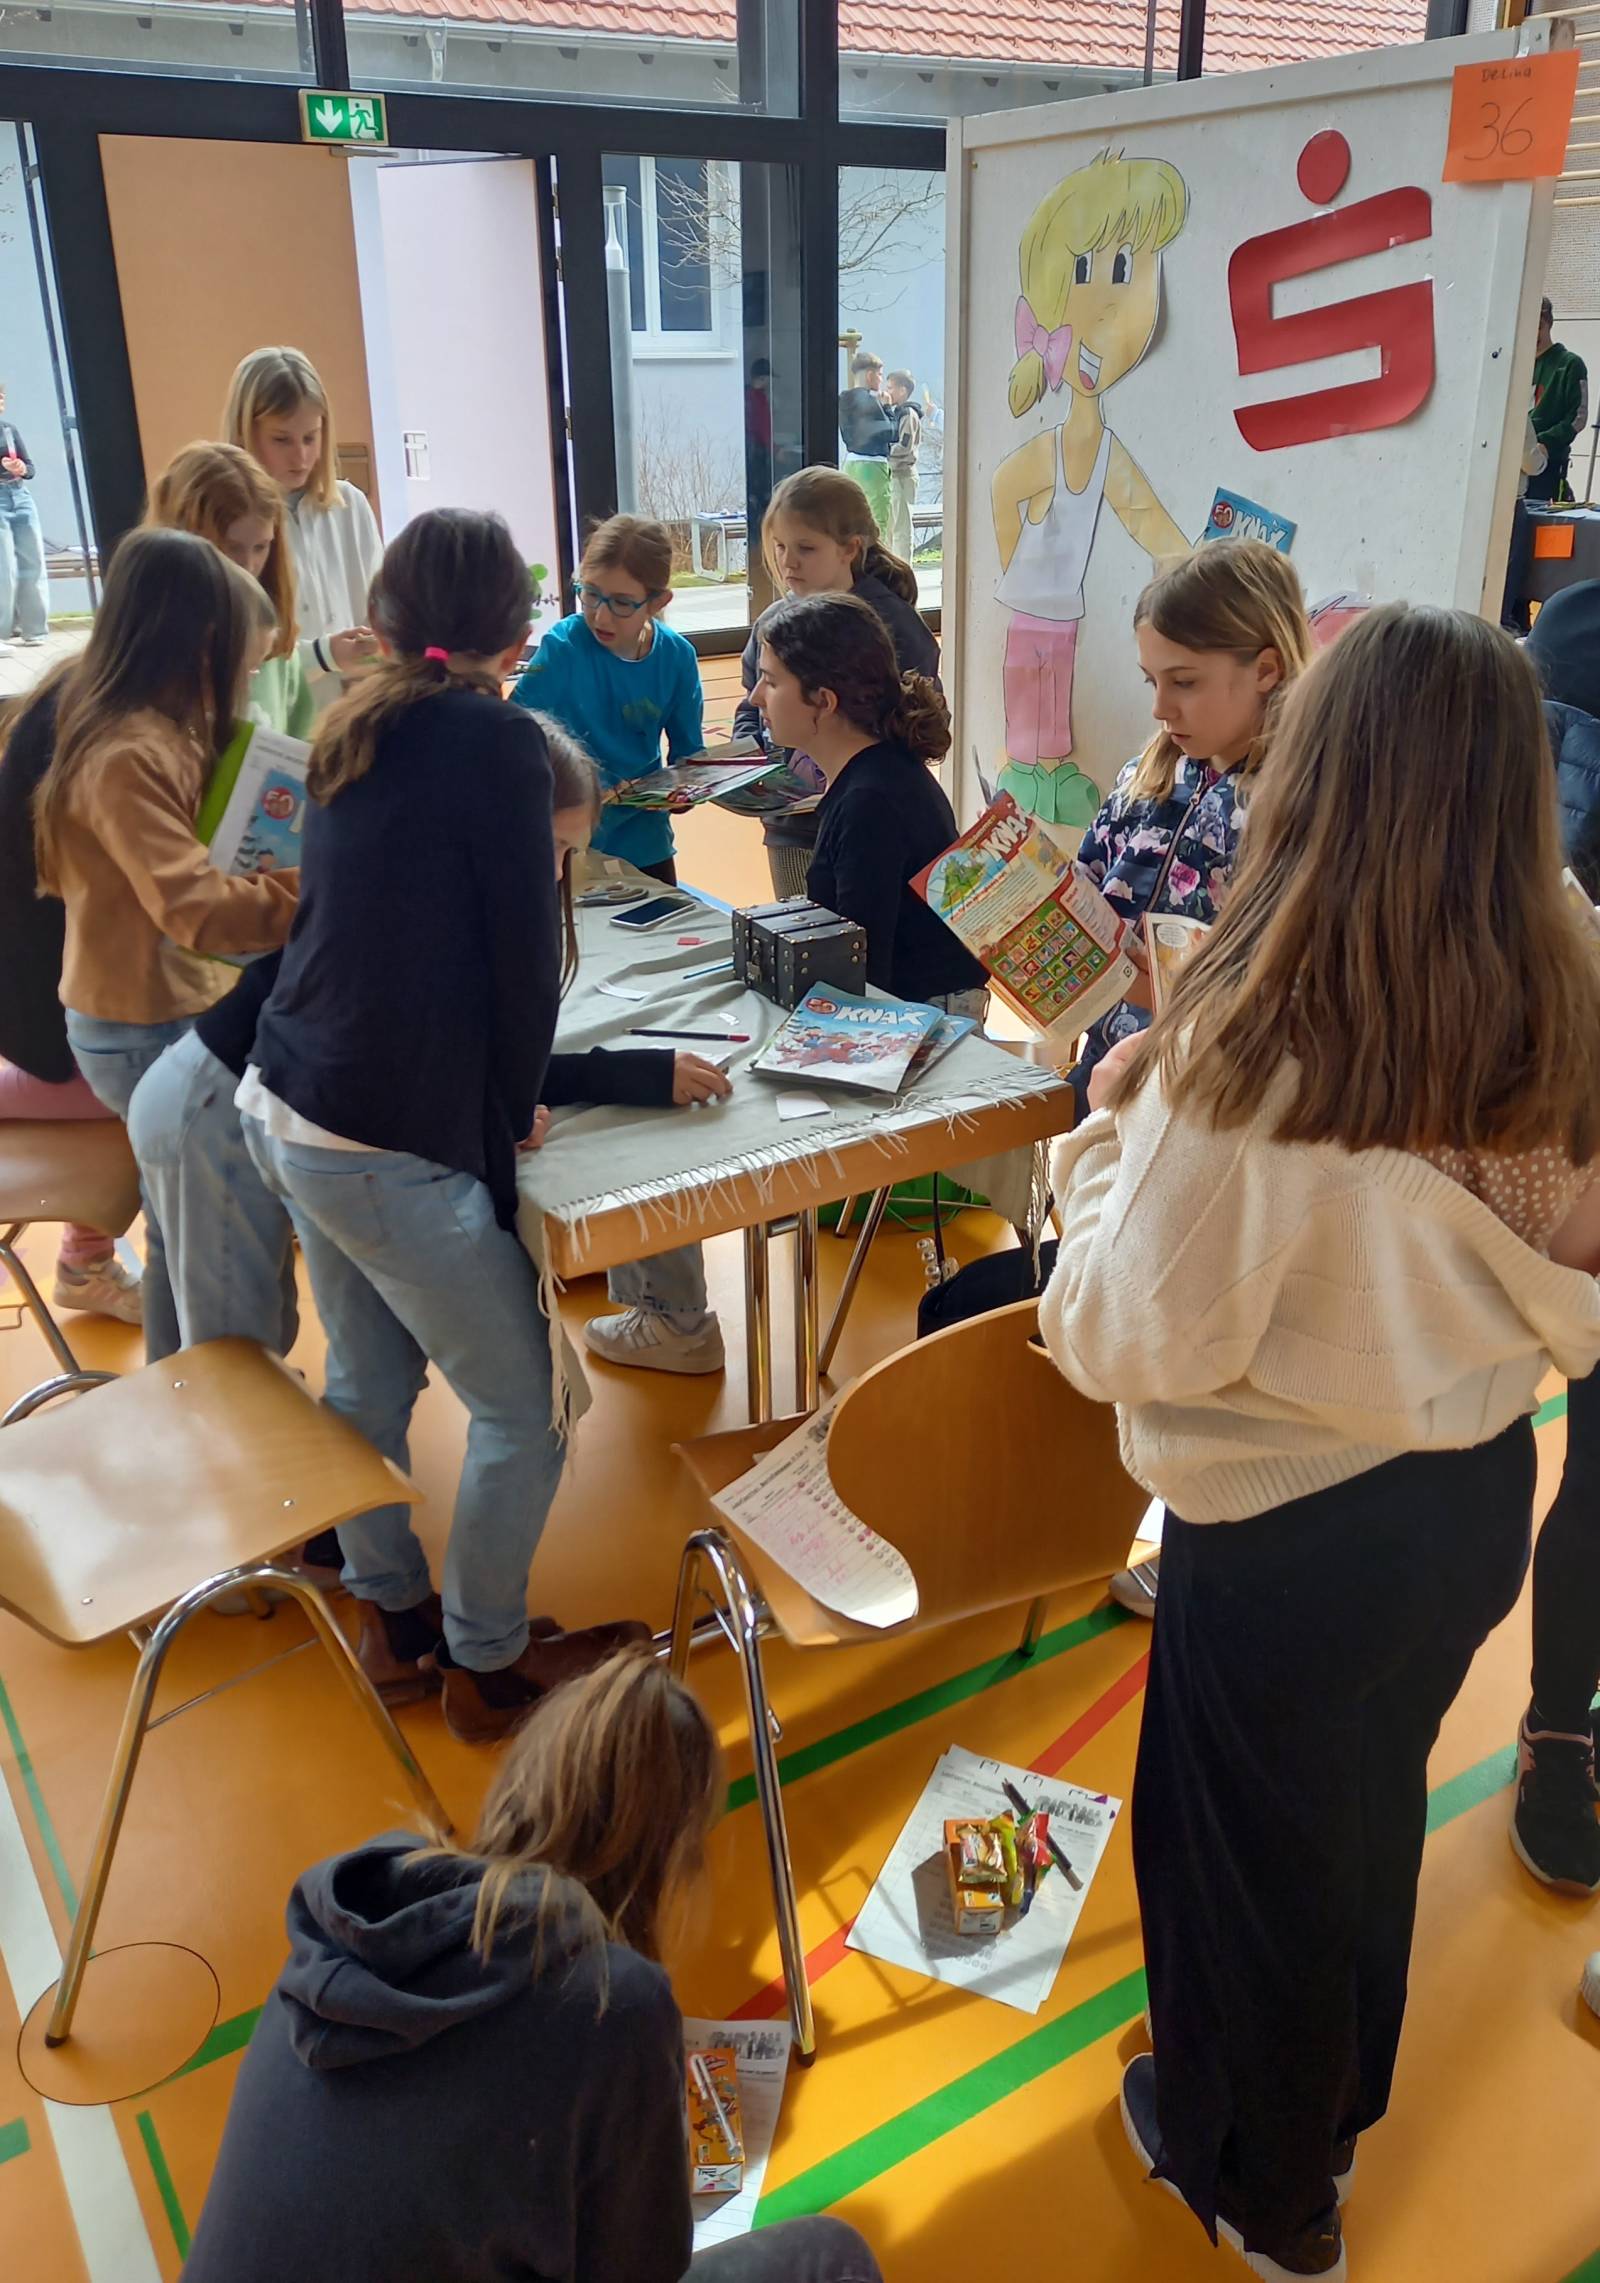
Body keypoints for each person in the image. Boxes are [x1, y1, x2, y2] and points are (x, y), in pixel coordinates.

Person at [1041, 604, 1600, 2283]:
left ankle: (1269, 2196)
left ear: (1318, 773)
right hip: (1472, 1490)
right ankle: (1329, 2113)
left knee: (1239, 1875)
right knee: (1357, 1825)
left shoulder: (1260, 1034)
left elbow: (1117, 1332)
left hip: (1283, 1529)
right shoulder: (1568, 973)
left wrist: (1101, 1141)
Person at [239, 507, 649, 1743]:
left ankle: (395, 1616)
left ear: (389, 615)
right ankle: (486, 1662)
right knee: (530, 1410)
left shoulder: (356, 719)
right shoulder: (498, 739)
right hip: (380, 1139)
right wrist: (502, 1131)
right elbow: (523, 965)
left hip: (288, 1103)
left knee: (368, 1379)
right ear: (517, 635)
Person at [180, 1651, 883, 2283]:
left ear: (520, 1776)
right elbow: (640, 2270)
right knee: (833, 2255)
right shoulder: (614, 2003)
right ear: (672, 1857)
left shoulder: (360, 1909)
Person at [31, 527, 298, 1360]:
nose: (243, 688)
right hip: (142, 1023)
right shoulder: (125, 752)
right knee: (221, 1252)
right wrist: (315, 882)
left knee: (186, 1239)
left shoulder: (152, 727)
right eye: (241, 670)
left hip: (169, 1007)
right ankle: (225, 1402)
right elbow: (200, 913)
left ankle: (190, 1397)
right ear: (200, 642)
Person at [992, 151, 1190, 830]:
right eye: (1087, 271)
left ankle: (1049, 771)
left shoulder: (1104, 449)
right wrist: (1018, 570)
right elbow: (1002, 490)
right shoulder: (1048, 450)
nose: (1107, 303)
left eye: (1127, 270)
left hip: (1064, 611)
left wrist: (1193, 561)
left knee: (1055, 687)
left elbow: (1145, 516)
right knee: (1027, 689)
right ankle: (1026, 772)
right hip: (1031, 608)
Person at [754, 591, 985, 1011]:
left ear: (824, 701)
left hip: (920, 1018)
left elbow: (861, 972)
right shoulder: (873, 774)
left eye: (771, 682)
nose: (755, 697)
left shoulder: (871, 803)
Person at [0, 678, 141, 1324]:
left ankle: (85, 1263)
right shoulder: (57, 842)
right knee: (150, 1089)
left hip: (50, 1024)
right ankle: (85, 1263)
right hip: (44, 1030)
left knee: (151, 1079)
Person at [733, 466, 939, 900]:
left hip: (864, 813)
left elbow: (919, 713)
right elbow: (751, 705)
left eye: (806, 548)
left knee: (843, 927)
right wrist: (748, 762)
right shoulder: (772, 622)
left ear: (850, 548)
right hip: (792, 825)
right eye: (780, 547)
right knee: (804, 926)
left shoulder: (894, 626)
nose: (788, 562)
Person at [512, 515, 702, 889]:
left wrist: (682, 792)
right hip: (569, 843)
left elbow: (689, 758)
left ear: (658, 601)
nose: (601, 615)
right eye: (590, 594)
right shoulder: (563, 647)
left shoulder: (677, 657)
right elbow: (514, 733)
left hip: (646, 843)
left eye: (621, 603)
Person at [222, 346, 382, 710]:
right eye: (281, 440)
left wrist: (377, 647)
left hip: (352, 718)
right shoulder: (230, 521)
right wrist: (324, 655)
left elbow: (378, 611)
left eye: (311, 437)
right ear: (245, 433)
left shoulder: (350, 504)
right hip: (274, 725)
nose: (301, 457)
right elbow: (239, 657)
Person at [146, 440, 314, 739]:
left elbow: (300, 740)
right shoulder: (153, 650)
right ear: (186, 538)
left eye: (261, 547)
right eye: (231, 547)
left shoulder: (271, 640)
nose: (247, 567)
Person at [0, 380, 49, 655]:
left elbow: (30, 468)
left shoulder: (9, 430)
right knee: (4, 568)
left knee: (33, 561)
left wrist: (21, 468)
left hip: (19, 495)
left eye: (1, 397)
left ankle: (35, 630)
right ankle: (2, 632)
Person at [1529, 297, 1589, 504]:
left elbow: (1578, 417)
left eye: (1538, 327)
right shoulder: (1515, 364)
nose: (1533, 334)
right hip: (1510, 465)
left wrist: (1545, 443)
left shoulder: (1570, 364)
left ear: (1549, 323)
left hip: (1548, 467)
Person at [837, 349, 894, 538]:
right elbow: (891, 433)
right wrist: (887, 408)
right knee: (877, 519)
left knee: (852, 516)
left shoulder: (842, 400)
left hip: (851, 463)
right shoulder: (870, 401)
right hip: (873, 465)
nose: (881, 379)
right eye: (879, 374)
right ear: (869, 375)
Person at [883, 368, 921, 564]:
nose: (887, 391)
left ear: (903, 390)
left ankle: (904, 569)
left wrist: (884, 449)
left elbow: (904, 445)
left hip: (903, 474)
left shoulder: (908, 414)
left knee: (902, 528)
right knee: (891, 527)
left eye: (891, 388)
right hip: (893, 474)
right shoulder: (895, 413)